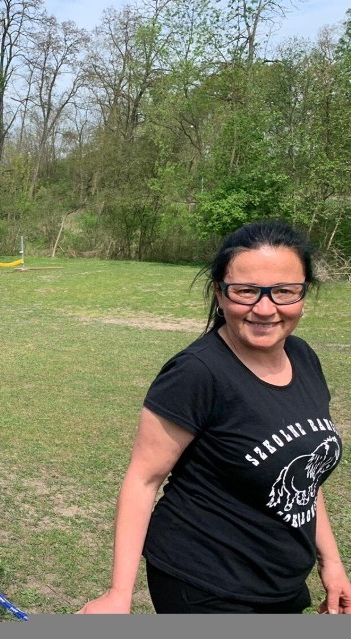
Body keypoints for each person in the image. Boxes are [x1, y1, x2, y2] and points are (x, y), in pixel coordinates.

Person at [78, 220, 349, 615]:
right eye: (246, 291)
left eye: (285, 291)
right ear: (219, 294)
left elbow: (305, 470)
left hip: (281, 581)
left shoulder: (304, 357)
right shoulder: (197, 373)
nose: (265, 308)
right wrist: (119, 593)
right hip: (206, 585)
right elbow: (143, 478)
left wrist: (333, 563)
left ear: (304, 294)